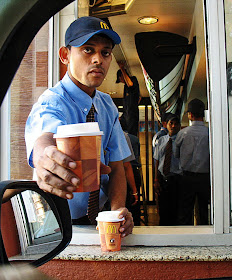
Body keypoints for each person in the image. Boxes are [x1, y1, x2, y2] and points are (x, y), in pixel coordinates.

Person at [25, 16, 134, 237]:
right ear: (65, 55)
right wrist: (45, 159)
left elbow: (117, 166)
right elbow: (44, 140)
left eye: (105, 52)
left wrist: (116, 211)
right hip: (60, 222)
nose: (98, 60)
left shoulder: (106, 105)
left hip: (100, 217)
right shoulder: (52, 102)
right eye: (88, 50)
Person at [175, 98, 210, 225]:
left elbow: (176, 154)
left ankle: (186, 238)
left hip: (187, 177)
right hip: (205, 177)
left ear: (190, 115)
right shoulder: (209, 133)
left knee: (185, 210)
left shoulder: (183, 133)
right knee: (204, 210)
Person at [153, 113, 182, 226]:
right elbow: (157, 160)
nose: (173, 126)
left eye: (176, 124)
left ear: (179, 126)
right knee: (163, 206)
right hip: (162, 177)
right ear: (167, 125)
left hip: (176, 177)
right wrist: (156, 179)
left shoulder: (181, 140)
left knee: (175, 207)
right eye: (171, 123)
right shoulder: (161, 140)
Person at [116, 63, 141, 136]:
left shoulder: (133, 79)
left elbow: (130, 84)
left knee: (131, 133)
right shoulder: (125, 87)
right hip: (127, 114)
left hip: (132, 114)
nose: (121, 80)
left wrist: (122, 68)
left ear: (122, 76)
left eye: (120, 78)